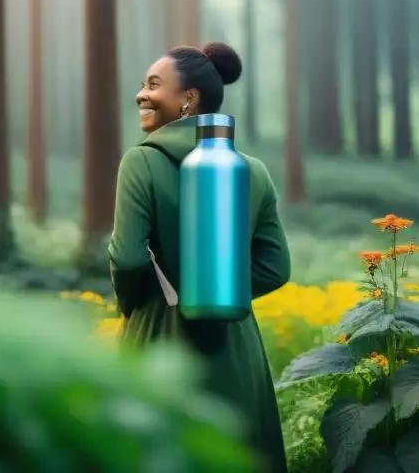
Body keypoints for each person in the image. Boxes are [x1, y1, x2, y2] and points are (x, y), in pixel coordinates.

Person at [108, 41, 291, 473]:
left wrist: (138, 308)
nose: (141, 94)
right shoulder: (253, 170)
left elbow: (129, 259)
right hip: (236, 347)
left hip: (159, 342)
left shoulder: (141, 161)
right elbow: (275, 268)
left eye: (154, 84)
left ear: (188, 99)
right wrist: (220, 286)